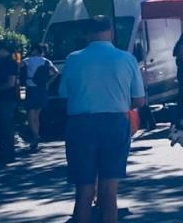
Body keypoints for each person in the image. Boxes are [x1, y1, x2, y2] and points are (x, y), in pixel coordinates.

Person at [59, 16, 145, 223]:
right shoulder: (126, 59)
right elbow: (139, 100)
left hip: (80, 124)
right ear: (111, 33)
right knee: (109, 190)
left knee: (84, 190)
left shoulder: (73, 59)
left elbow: (64, 94)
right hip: (115, 122)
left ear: (87, 34)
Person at [24, 43, 57, 151]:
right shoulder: (46, 61)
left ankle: (35, 136)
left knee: (30, 114)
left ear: (35, 50)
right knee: (37, 115)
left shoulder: (28, 60)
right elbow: (55, 72)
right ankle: (35, 137)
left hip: (31, 88)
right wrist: (48, 83)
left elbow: (18, 65)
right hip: (42, 89)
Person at [0, 41, 19, 164]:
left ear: (2, 50)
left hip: (7, 99)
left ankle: (8, 154)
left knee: (6, 127)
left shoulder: (10, 62)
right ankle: (4, 152)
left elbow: (11, 82)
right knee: (2, 127)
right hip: (1, 99)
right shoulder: (3, 62)